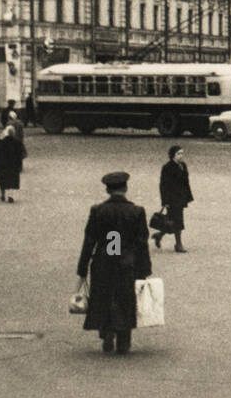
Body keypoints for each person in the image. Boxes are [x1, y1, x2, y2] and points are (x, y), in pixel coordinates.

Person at [77, 171, 152, 354]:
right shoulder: (136, 211)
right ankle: (124, 339)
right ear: (125, 188)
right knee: (125, 299)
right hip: (127, 263)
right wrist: (145, 268)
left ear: (107, 190)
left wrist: (82, 267)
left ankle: (107, 331)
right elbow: (142, 243)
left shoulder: (98, 211)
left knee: (104, 297)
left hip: (103, 262)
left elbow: (89, 240)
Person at [157, 145, 193, 252]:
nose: (181, 156)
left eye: (182, 153)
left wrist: (187, 196)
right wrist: (165, 201)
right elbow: (163, 185)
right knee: (178, 220)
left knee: (171, 220)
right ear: (173, 155)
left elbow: (186, 182)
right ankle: (178, 244)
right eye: (178, 154)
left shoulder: (183, 165)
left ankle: (159, 235)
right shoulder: (167, 167)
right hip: (172, 198)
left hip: (181, 197)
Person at [0, 125, 24, 203]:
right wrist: (20, 166)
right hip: (13, 165)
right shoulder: (17, 143)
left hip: (2, 165)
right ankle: (11, 195)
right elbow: (20, 156)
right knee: (12, 181)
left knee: (2, 180)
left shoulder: (0, 143)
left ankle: (2, 194)